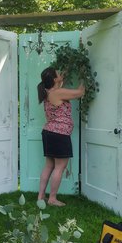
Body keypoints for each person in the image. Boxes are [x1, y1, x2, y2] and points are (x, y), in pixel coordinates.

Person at [37, 66, 85, 207]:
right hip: (59, 134)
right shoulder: (58, 92)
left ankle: (41, 197)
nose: (60, 73)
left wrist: (62, 77)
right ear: (53, 79)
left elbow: (60, 82)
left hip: (49, 132)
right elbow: (80, 92)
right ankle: (52, 199)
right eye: (57, 73)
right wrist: (85, 74)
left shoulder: (48, 92)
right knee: (60, 167)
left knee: (49, 165)